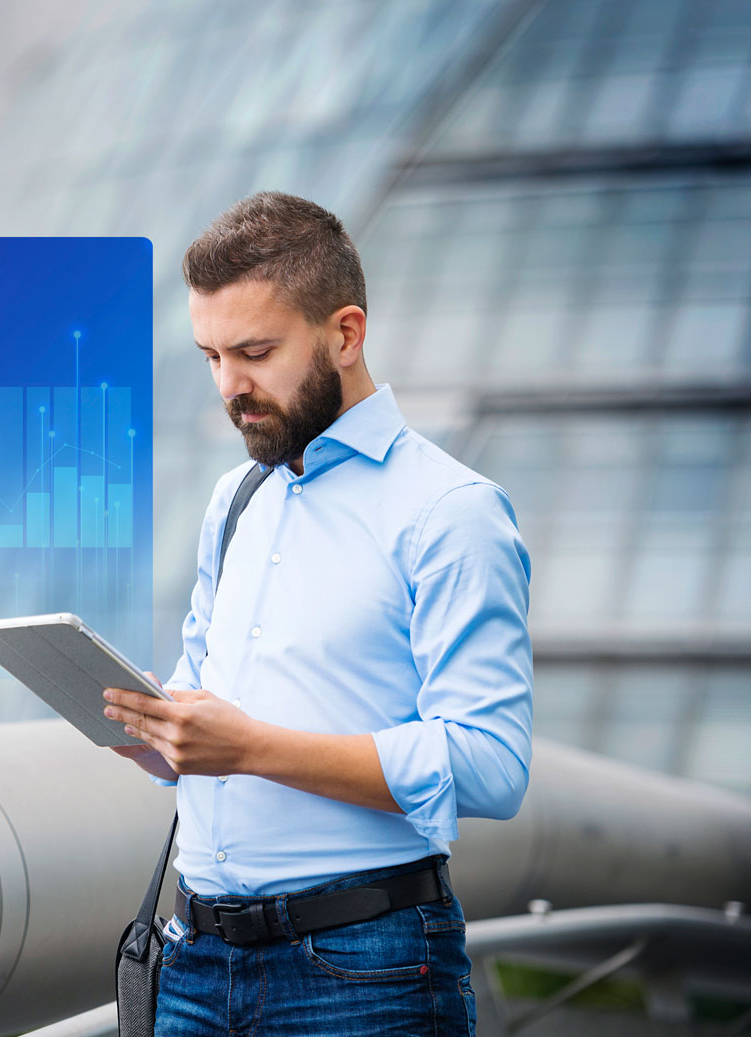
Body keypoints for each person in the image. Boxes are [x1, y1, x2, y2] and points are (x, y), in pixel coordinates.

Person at [102, 192, 532, 1036]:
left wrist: (251, 748)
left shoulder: (450, 510)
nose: (231, 387)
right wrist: (159, 731)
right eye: (211, 356)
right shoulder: (236, 499)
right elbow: (208, 693)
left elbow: (492, 763)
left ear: (344, 332)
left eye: (255, 352)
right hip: (194, 961)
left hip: (365, 971)